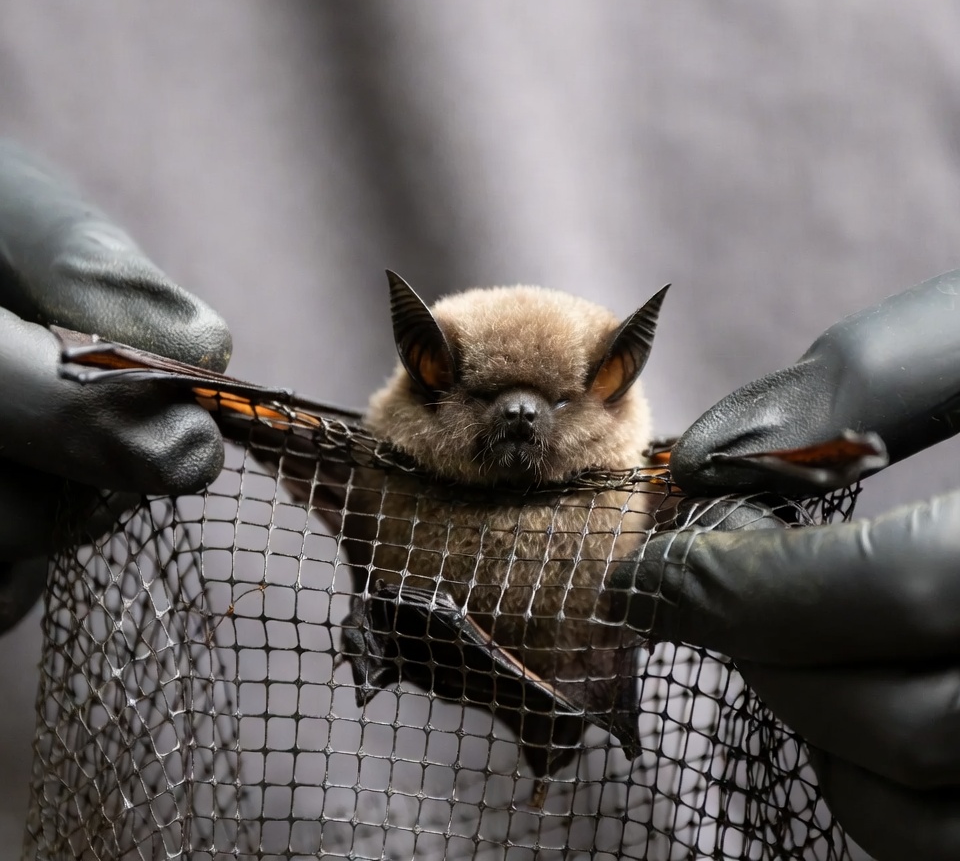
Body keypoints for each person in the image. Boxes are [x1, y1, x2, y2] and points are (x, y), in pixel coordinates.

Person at [2, 147, 959, 860]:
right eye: (484, 394)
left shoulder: (645, 480)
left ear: (614, 379)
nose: (519, 417)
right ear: (424, 367)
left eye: (552, 400)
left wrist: (834, 461)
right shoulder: (369, 463)